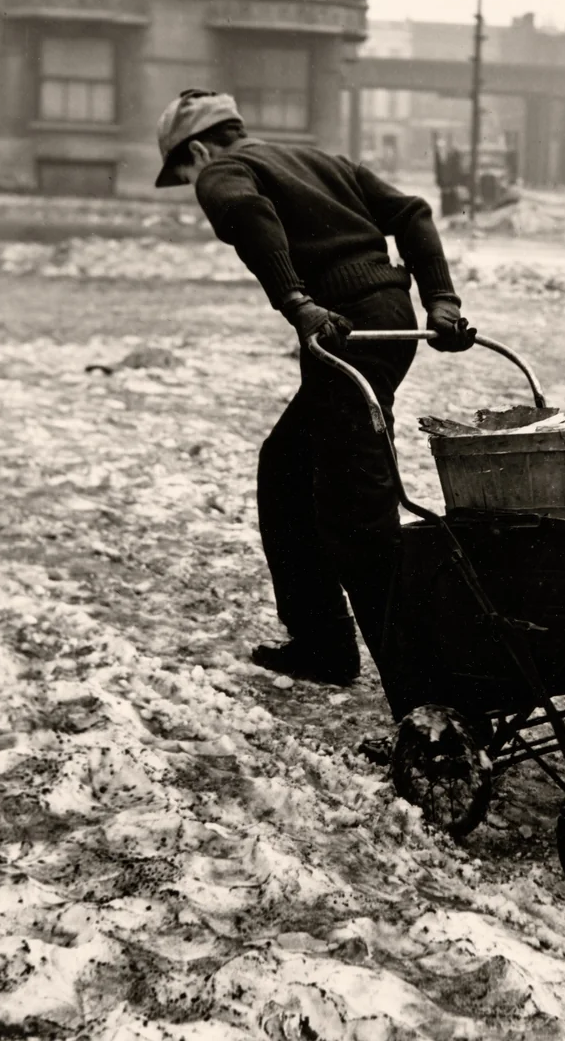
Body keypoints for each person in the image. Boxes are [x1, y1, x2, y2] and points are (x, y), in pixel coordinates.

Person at [154, 89, 475, 686]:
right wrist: (440, 299)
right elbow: (412, 212)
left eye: (185, 171)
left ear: (197, 148)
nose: (194, 184)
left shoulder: (223, 168)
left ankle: (430, 695)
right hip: (386, 316)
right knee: (287, 470)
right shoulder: (321, 161)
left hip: (344, 327)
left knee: (355, 511)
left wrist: (297, 301)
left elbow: (248, 216)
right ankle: (322, 643)